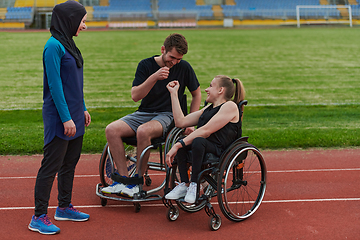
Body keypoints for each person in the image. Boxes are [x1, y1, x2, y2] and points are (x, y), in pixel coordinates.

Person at [101, 33, 202, 197]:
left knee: (143, 131)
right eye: (171, 57)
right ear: (163, 50)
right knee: (111, 129)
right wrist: (154, 77)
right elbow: (135, 96)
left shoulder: (184, 67)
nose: (174, 62)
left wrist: (190, 122)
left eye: (178, 59)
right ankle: (121, 181)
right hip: (144, 112)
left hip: (169, 114)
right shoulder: (146, 65)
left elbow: (196, 94)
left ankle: (136, 182)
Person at [28, 1, 90, 235]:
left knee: (69, 164)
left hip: (74, 114)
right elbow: (54, 86)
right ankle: (38, 216)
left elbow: (74, 83)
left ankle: (64, 207)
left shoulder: (69, 44)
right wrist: (66, 118)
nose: (85, 25)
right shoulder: (53, 46)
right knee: (51, 166)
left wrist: (82, 108)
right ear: (70, 19)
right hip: (59, 117)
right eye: (82, 20)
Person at [164, 75, 245, 204]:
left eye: (211, 86)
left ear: (220, 90)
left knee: (196, 140)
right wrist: (173, 94)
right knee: (184, 140)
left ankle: (194, 184)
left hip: (220, 150)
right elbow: (181, 121)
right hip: (204, 146)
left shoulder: (230, 106)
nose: (207, 89)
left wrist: (177, 145)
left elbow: (206, 131)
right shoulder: (208, 108)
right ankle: (185, 184)